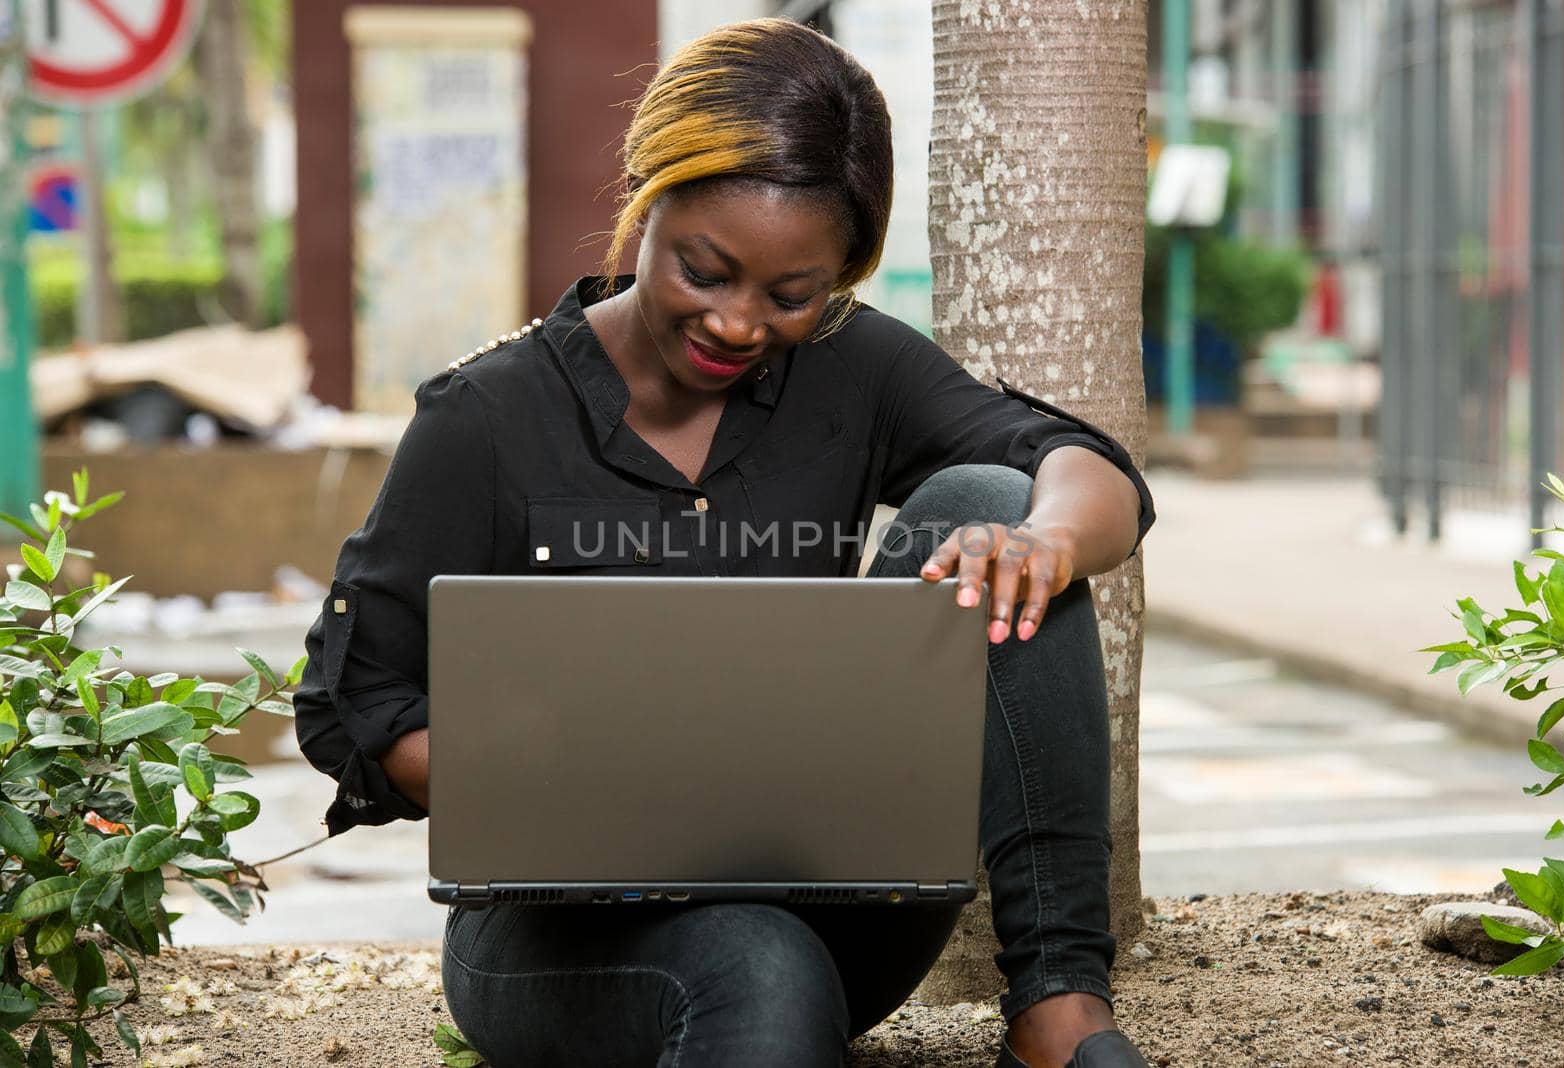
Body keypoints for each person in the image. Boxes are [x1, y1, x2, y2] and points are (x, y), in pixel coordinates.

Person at [293, 17, 1155, 1068]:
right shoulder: (483, 420)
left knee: (992, 503)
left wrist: (1048, 540)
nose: (740, 323)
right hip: (562, 931)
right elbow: (356, 710)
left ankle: (1059, 1010)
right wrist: (575, 777)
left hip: (831, 894)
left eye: (792, 295)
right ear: (646, 201)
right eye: (704, 271)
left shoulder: (853, 366)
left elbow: (1082, 465)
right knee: (755, 969)